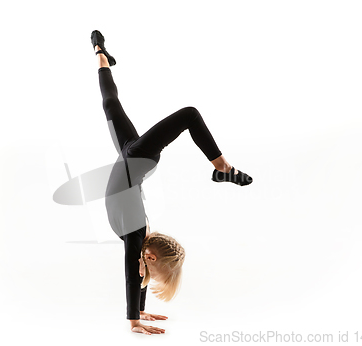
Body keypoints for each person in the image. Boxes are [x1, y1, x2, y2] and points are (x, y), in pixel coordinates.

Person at [91, 30, 253, 335]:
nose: (150, 275)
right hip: (135, 161)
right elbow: (135, 274)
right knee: (185, 114)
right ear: (150, 256)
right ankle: (222, 167)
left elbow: (133, 273)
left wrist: (135, 317)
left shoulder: (136, 237)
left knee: (112, 103)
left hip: (133, 160)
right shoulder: (136, 235)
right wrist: (135, 317)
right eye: (156, 271)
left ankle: (101, 54)